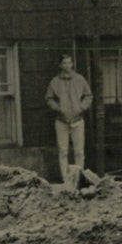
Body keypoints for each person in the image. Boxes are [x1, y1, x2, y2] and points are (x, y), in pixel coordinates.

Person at [45, 54, 93, 184]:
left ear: (72, 64)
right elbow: (49, 98)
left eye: (69, 63)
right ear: (60, 65)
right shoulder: (55, 82)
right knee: (63, 151)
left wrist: (80, 107)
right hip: (61, 121)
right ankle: (66, 179)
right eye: (64, 63)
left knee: (79, 151)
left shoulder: (80, 79)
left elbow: (88, 96)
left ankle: (78, 180)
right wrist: (59, 108)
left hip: (78, 120)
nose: (67, 66)